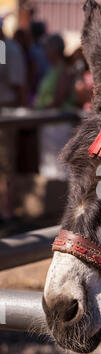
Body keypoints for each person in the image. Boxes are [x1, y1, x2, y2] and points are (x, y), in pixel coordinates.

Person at [34, 34, 74, 180]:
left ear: (55, 50)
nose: (44, 51)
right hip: (48, 123)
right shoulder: (51, 69)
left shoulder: (64, 70)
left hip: (59, 124)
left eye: (47, 48)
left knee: (59, 167)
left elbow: (59, 98)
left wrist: (41, 109)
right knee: (48, 167)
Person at [0, 18, 26, 224]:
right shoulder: (3, 48)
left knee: (7, 162)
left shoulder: (11, 49)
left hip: (7, 111)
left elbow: (18, 86)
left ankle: (7, 211)